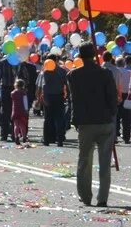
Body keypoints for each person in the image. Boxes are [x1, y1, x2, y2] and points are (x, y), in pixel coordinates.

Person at [68, 43, 118, 207]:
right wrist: (112, 114)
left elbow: (73, 100)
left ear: (80, 57)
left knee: (84, 160)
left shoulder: (73, 75)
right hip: (104, 120)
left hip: (85, 121)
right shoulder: (105, 73)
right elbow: (112, 96)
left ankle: (85, 195)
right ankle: (102, 197)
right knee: (105, 162)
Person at [37, 57, 69, 146]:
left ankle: (47, 139)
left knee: (48, 119)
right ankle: (60, 139)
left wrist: (40, 97)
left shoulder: (45, 72)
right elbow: (66, 84)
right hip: (59, 96)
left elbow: (42, 86)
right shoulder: (62, 71)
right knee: (59, 118)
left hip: (48, 97)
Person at [11, 78, 31, 144]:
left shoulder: (13, 93)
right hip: (22, 111)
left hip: (15, 110)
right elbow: (25, 103)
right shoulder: (24, 93)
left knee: (16, 125)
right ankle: (24, 137)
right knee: (22, 125)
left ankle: (16, 137)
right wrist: (26, 110)